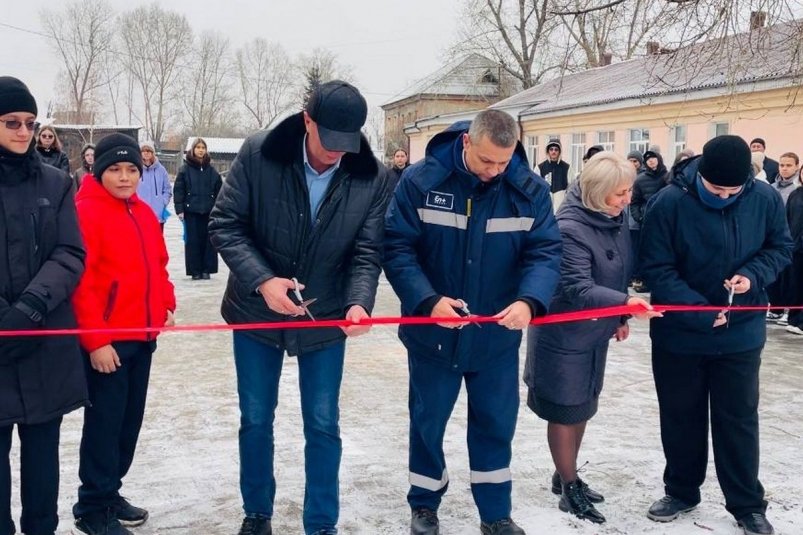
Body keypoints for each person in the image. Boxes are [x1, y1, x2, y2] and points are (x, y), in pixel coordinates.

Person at [208, 80, 388, 535]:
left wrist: (358, 302)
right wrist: (263, 281)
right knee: (255, 417)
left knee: (323, 422)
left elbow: (367, 253)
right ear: (307, 120)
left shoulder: (372, 176)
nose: (336, 154)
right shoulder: (257, 154)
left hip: (325, 313)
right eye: (328, 142)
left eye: (346, 145)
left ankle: (322, 523)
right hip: (255, 311)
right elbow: (225, 224)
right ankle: (257, 513)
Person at [383, 109, 562, 535]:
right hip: (433, 335)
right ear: (467, 143)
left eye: (502, 162)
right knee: (427, 422)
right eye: (486, 161)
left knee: (495, 423)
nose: (494, 171)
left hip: (496, 338)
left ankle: (495, 512)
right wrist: (427, 301)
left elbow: (546, 252)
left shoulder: (528, 189)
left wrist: (530, 301)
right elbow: (397, 247)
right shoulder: (421, 181)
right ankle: (424, 504)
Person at [639, 135, 792, 535]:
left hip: (741, 334)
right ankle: (682, 489)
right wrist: (700, 311)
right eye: (715, 189)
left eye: (732, 190)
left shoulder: (764, 199)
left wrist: (753, 276)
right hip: (680, 336)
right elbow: (655, 267)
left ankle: (746, 504)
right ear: (700, 174)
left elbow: (780, 248)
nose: (723, 196)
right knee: (681, 415)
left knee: (738, 419)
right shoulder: (669, 203)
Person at [524, 151, 660, 525]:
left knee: (583, 404)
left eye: (628, 191)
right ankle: (569, 487)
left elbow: (617, 271)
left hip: (595, 331)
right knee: (565, 410)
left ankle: (564, 473)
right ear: (598, 193)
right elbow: (578, 288)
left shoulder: (611, 217)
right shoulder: (569, 228)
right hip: (564, 335)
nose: (627, 200)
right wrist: (627, 302)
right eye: (619, 193)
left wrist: (619, 315)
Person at [71, 133, 176, 535]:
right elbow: (80, 284)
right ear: (99, 172)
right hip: (108, 342)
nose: (124, 176)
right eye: (114, 169)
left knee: (128, 423)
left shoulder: (144, 213)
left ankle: (110, 491)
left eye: (131, 169)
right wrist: (95, 340)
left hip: (143, 335)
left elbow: (159, 264)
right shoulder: (86, 212)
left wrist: (165, 300)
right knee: (105, 425)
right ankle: (93, 507)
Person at [0, 76, 88, 535]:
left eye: (31, 123)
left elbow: (70, 252)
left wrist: (32, 306)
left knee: (42, 466)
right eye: (12, 121)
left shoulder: (55, 182)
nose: (23, 131)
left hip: (42, 341)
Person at [173, 138, 222, 280]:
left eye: (203, 147)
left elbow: (220, 192)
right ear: (193, 150)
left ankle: (207, 269)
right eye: (198, 147)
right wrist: (180, 209)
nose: (201, 150)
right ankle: (195, 271)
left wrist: (220, 210)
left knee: (209, 242)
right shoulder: (185, 170)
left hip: (209, 212)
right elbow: (178, 191)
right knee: (193, 242)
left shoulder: (212, 171)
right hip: (191, 212)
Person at [629, 149, 670, 293]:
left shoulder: (667, 177)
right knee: (646, 252)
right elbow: (634, 202)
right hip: (646, 222)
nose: (651, 161)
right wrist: (639, 217)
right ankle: (644, 281)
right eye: (648, 159)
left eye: (653, 158)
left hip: (665, 222)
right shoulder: (640, 180)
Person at [137, 141, 172, 232]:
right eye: (144, 150)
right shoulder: (135, 169)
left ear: (153, 153)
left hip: (157, 214)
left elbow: (167, 189)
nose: (146, 153)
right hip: (140, 213)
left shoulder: (161, 170)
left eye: (149, 150)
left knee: (157, 242)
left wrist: (163, 202)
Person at [784, 168, 803, 335]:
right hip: (795, 246)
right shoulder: (795, 194)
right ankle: (793, 317)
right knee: (795, 283)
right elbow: (788, 218)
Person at [537, 138, 570, 209]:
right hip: (545, 208)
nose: (553, 152)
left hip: (561, 208)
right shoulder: (539, 168)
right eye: (551, 149)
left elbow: (572, 187)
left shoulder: (567, 168)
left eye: (556, 149)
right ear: (548, 151)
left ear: (559, 151)